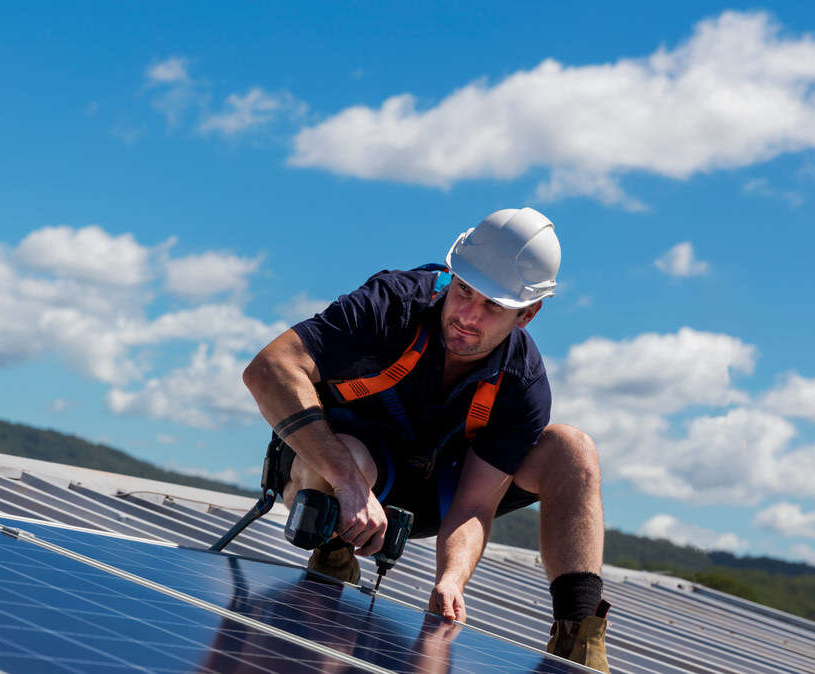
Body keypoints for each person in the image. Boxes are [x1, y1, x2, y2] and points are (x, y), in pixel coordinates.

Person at [242, 207, 610, 671]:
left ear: (528, 314)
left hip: (436, 493)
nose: (468, 316)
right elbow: (269, 368)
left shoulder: (522, 383)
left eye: (492, 306)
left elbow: (475, 505)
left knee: (572, 449)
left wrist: (452, 580)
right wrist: (351, 485)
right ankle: (333, 554)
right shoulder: (392, 303)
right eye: (464, 291)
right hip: (340, 473)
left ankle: (579, 645)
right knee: (352, 459)